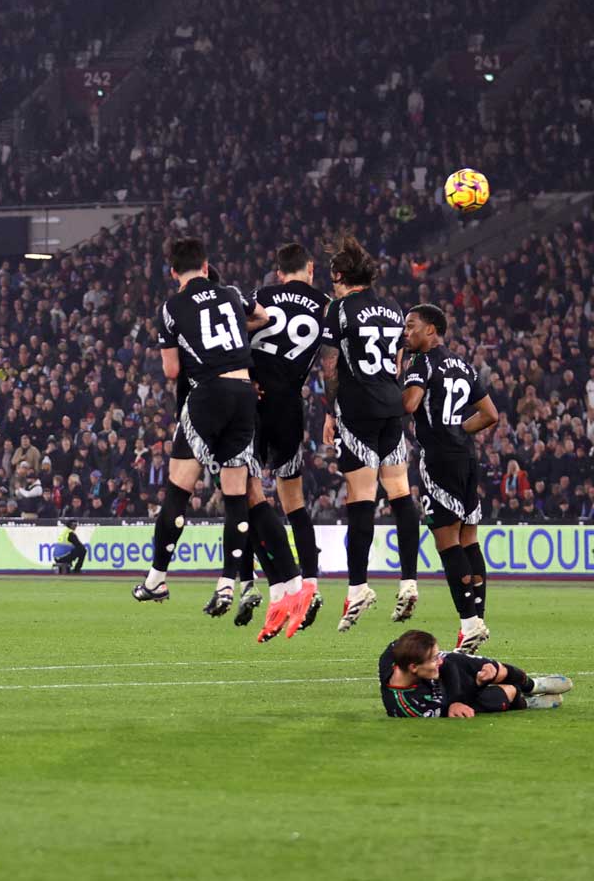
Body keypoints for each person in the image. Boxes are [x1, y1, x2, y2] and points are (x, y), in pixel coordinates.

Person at [134, 239, 301, 616]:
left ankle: (156, 578)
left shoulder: (171, 307)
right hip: (244, 394)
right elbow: (265, 317)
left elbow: (172, 371)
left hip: (209, 393)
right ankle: (228, 584)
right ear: (207, 266)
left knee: (179, 489)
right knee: (235, 496)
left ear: (174, 272)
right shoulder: (229, 293)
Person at [320, 235, 423, 631]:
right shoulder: (393, 307)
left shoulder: (339, 309)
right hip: (390, 407)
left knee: (360, 498)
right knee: (400, 493)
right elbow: (398, 361)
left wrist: (331, 412)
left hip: (358, 408)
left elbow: (330, 368)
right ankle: (409, 581)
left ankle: (359, 586)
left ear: (341, 275)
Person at [244, 243, 331, 641]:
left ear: (279, 273)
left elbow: (237, 340)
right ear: (310, 269)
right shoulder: (326, 305)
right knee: (293, 499)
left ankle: (280, 586)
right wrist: (331, 412)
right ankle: (310, 583)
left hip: (254, 399)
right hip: (289, 406)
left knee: (248, 495)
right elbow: (331, 365)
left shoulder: (261, 297)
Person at [402, 304, 500, 653]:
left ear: (432, 330)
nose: (406, 332)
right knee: (469, 537)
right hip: (466, 458)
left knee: (447, 542)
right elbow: (490, 414)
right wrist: (460, 429)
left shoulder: (421, 363)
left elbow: (411, 404)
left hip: (439, 459)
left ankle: (469, 623)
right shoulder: (462, 364)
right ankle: (478, 620)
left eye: (412, 326)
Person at [379, 629, 572, 717]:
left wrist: (484, 675)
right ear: (413, 667)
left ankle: (533, 685)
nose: (439, 660)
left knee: (490, 669)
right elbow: (454, 703)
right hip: (446, 699)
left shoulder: (395, 653)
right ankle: (525, 701)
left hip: (450, 681)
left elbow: (448, 665)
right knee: (504, 694)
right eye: (433, 659)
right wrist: (476, 685)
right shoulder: (412, 706)